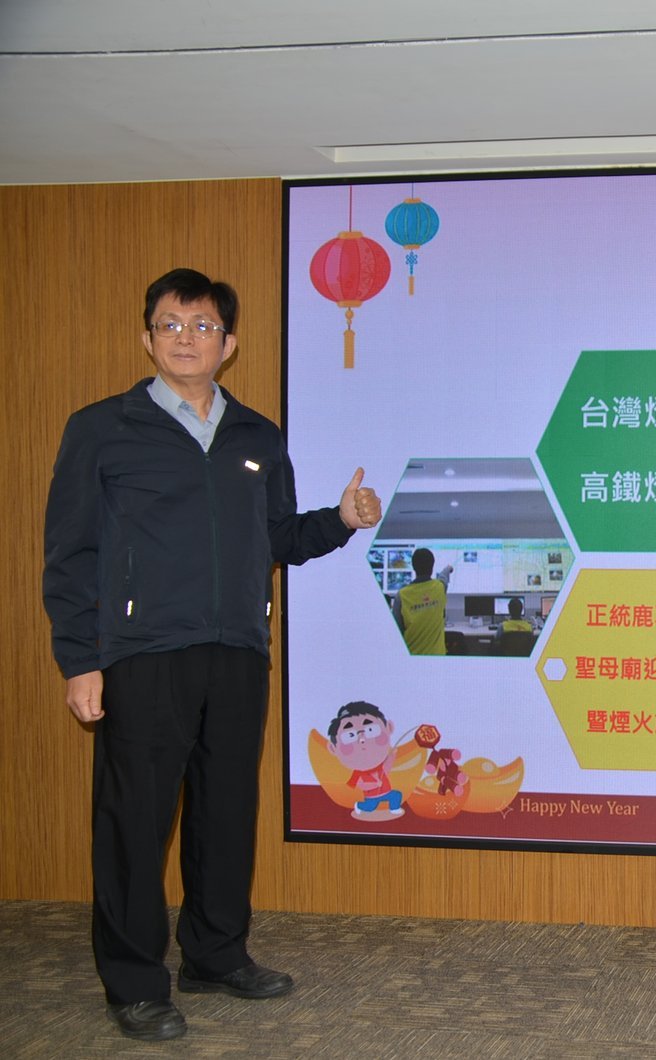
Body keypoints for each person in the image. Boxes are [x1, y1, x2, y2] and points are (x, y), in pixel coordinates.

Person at [41, 268, 383, 1042]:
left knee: (226, 812)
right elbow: (70, 554)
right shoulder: (103, 429)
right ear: (147, 338)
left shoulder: (257, 435)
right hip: (142, 654)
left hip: (236, 651)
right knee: (135, 822)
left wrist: (339, 519)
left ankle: (216, 953)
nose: (186, 338)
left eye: (202, 327)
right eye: (171, 324)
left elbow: (278, 538)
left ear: (228, 344)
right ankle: (134, 982)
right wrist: (79, 658)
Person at [392, 547, 452, 655]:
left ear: (413, 567)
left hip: (412, 658)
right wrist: (449, 568)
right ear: (432, 566)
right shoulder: (440, 588)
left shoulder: (401, 596)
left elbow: (395, 634)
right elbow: (444, 576)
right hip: (437, 658)